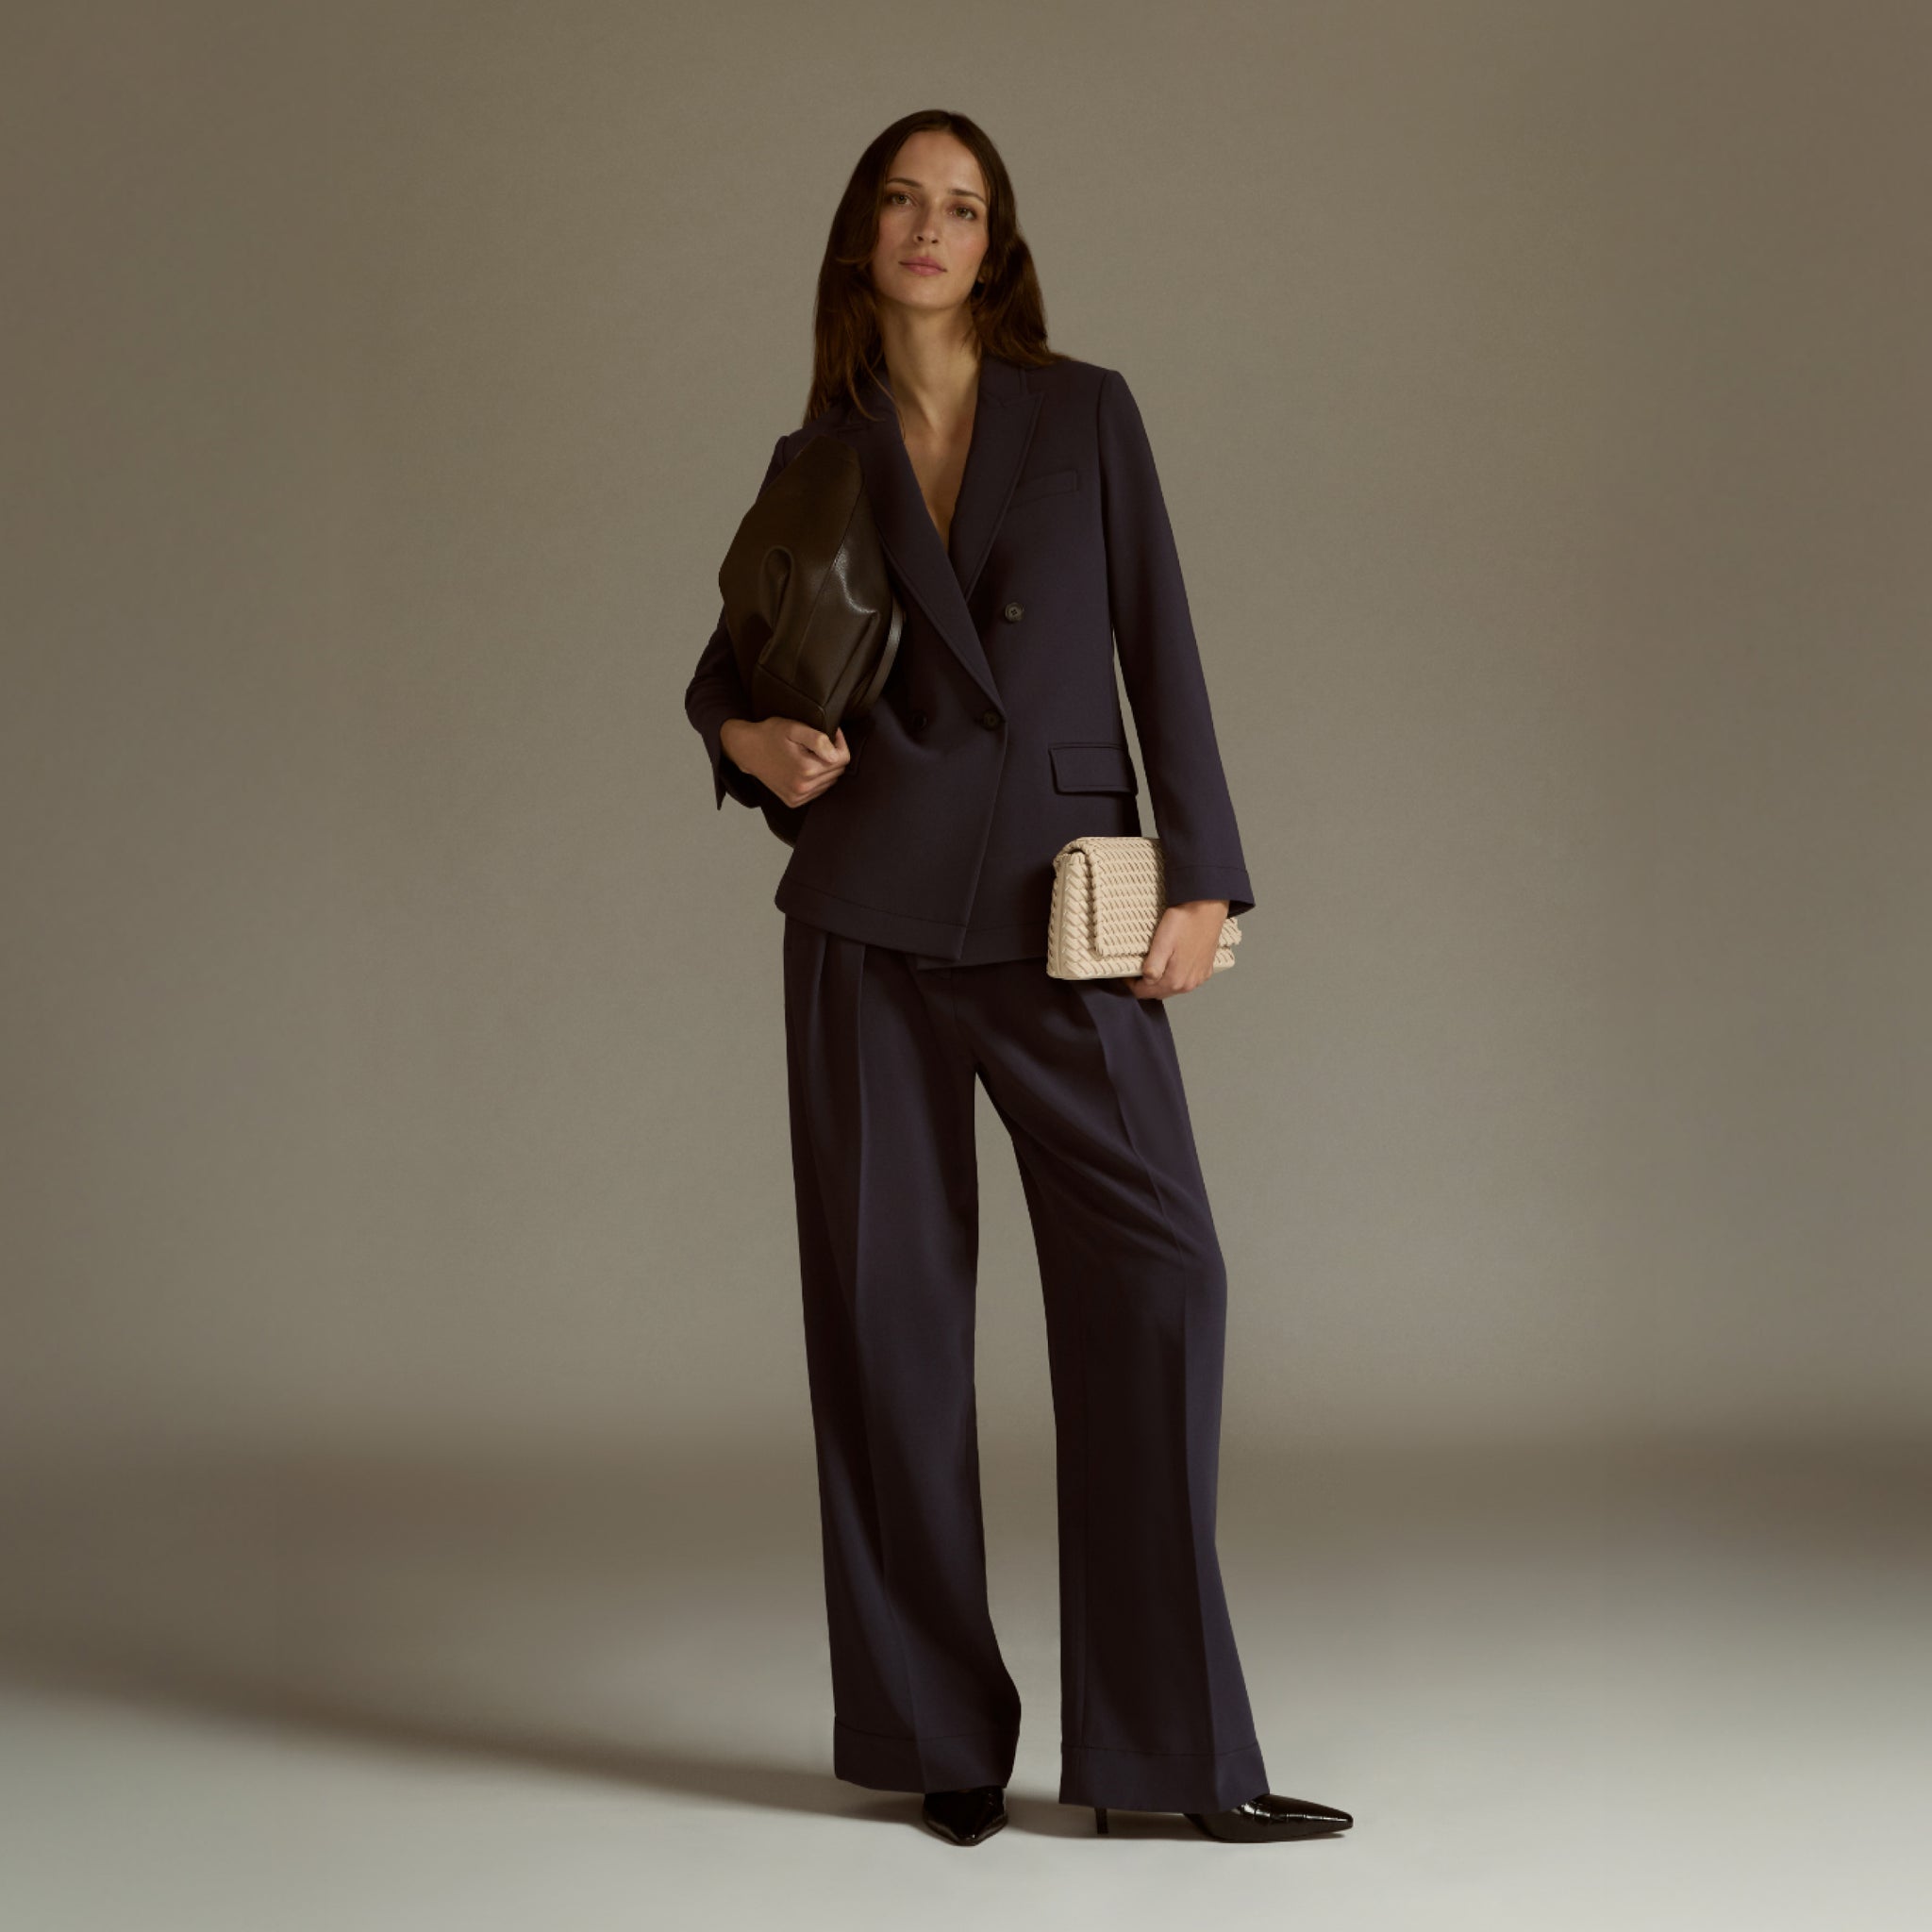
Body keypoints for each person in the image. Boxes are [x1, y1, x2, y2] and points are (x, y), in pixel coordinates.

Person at [685, 109, 1353, 1850]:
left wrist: (1203, 873)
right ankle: (937, 1739)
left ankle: (1165, 1758)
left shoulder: (1085, 415)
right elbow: (726, 672)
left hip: (1067, 911)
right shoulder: (814, 449)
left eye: (962, 205)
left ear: (997, 247)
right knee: (888, 1330)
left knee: (1162, 1278)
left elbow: (1163, 639)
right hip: (865, 920)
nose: (930, 226)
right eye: (903, 200)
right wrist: (755, 741)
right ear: (864, 236)